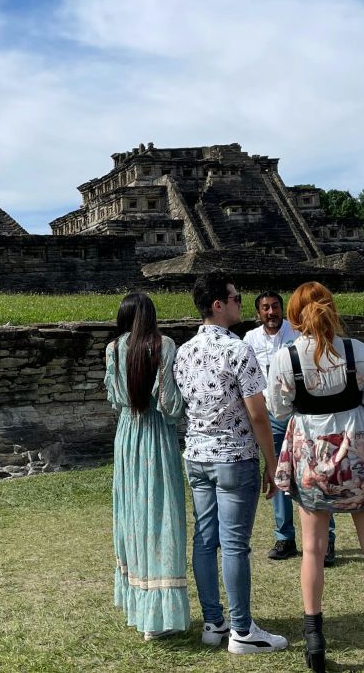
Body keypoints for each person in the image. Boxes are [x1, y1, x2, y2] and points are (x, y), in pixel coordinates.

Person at [268, 282, 364, 673]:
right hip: (359, 452)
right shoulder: (358, 352)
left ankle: (314, 641)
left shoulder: (285, 358)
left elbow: (278, 410)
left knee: (312, 550)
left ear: (295, 316)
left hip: (312, 453)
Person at [173, 273, 288, 655]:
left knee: (205, 539)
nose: (242, 304)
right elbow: (259, 414)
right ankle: (242, 630)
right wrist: (272, 463)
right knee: (235, 545)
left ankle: (213, 621)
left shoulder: (184, 350)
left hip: (197, 454)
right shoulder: (238, 349)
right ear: (218, 305)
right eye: (236, 299)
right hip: (233, 456)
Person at [104, 292, 189, 641]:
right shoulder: (163, 345)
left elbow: (113, 397)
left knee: (132, 514)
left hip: (127, 434)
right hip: (155, 433)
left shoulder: (112, 349)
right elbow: (168, 402)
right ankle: (160, 616)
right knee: (161, 514)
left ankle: (138, 604)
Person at [243, 291, 336, 565]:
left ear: (282, 310)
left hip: (302, 412)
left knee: (317, 473)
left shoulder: (297, 332)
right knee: (277, 473)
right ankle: (284, 536)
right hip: (271, 414)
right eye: (265, 308)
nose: (271, 312)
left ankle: (327, 539)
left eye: (275, 307)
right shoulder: (250, 339)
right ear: (258, 313)